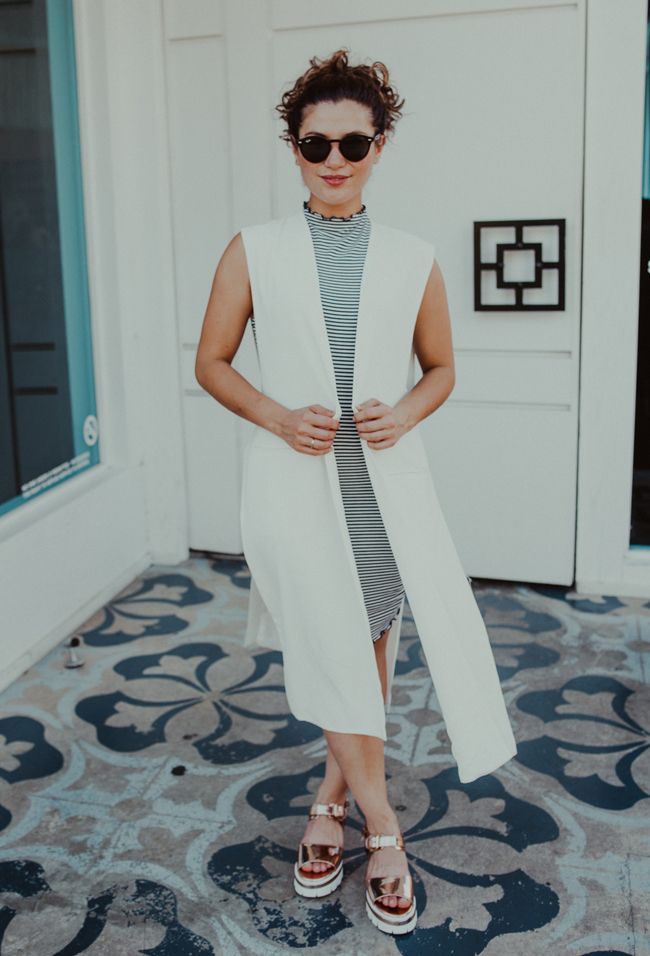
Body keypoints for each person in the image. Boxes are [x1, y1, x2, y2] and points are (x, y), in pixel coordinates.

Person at [195, 48, 517, 937]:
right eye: (315, 143)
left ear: (380, 146)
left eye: (353, 142)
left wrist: (406, 412)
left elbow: (442, 368)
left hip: (380, 491)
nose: (333, 159)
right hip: (294, 487)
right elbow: (211, 362)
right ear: (293, 148)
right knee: (326, 642)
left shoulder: (414, 259)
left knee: (367, 639)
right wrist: (272, 413)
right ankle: (385, 829)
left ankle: (327, 808)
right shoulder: (253, 250)